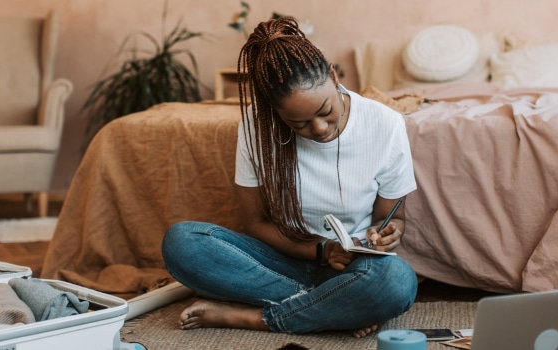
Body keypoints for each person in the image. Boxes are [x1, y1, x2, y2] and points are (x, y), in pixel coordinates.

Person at [161, 16, 418, 337]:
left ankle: (256, 318)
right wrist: (323, 251)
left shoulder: (386, 124)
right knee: (183, 242)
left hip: (353, 268)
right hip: (279, 262)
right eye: (299, 124)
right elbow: (254, 224)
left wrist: (387, 234)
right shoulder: (257, 127)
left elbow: (393, 219)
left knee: (395, 281)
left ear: (333, 75)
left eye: (325, 111)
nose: (320, 130)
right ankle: (336, 309)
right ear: (276, 113)